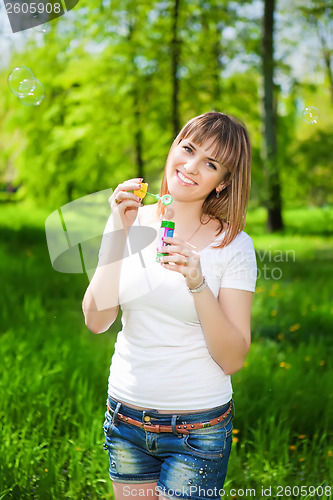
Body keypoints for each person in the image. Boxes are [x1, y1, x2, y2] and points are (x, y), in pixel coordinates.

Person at [82, 111, 257, 500]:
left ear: (223, 182)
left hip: (197, 429)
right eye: (188, 149)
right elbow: (96, 320)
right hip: (124, 419)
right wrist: (118, 232)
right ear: (174, 147)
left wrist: (197, 282)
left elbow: (232, 358)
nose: (191, 167)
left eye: (210, 163)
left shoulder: (234, 246)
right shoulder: (128, 220)